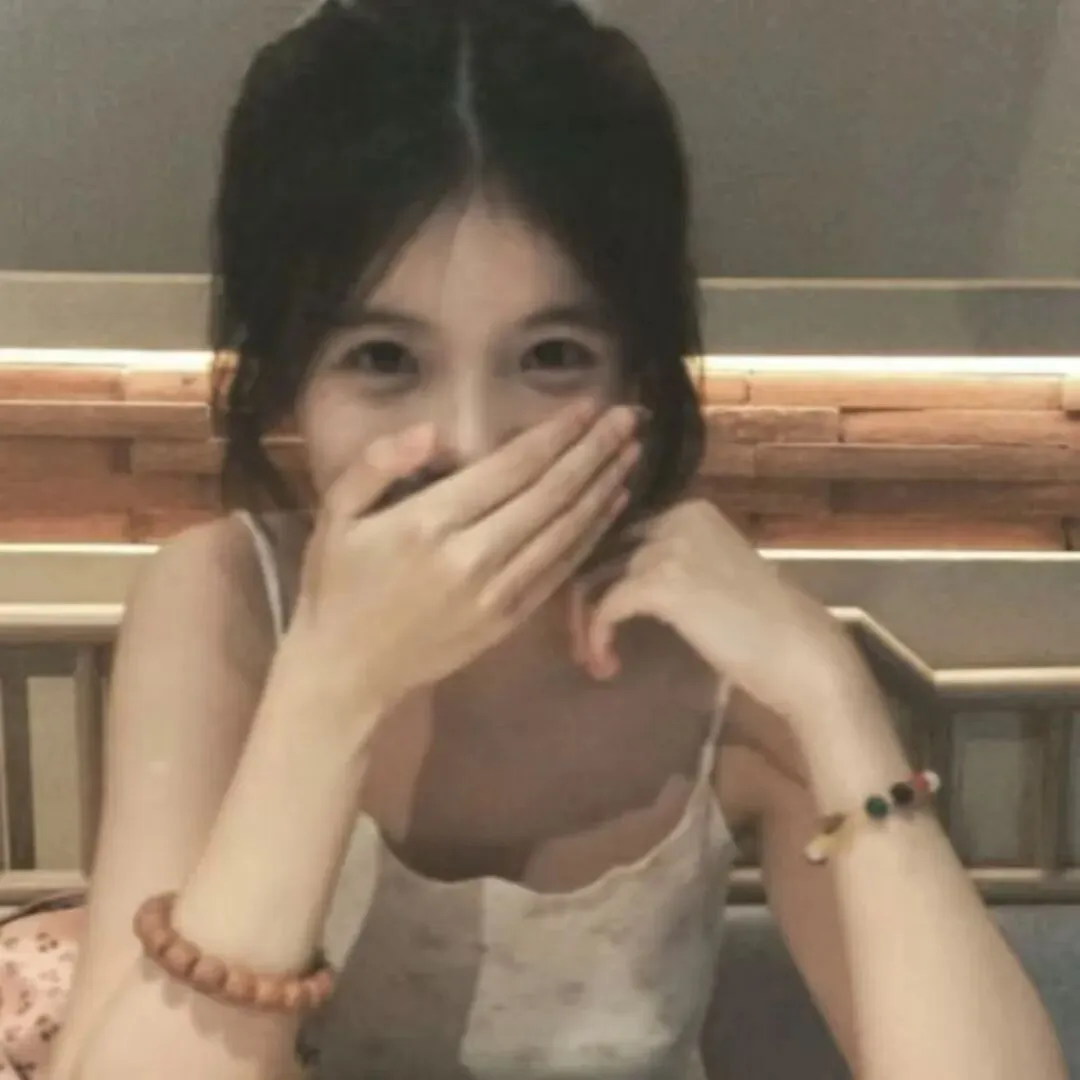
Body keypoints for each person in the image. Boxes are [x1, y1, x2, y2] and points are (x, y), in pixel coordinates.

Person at [32, 1, 1065, 1078]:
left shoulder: (717, 652)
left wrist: (830, 691)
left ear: (638, 371)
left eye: (553, 354)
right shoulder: (227, 602)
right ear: (290, 373)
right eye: (384, 358)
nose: (472, 442)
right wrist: (329, 692)